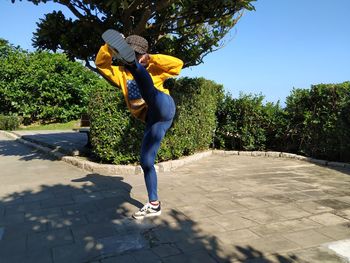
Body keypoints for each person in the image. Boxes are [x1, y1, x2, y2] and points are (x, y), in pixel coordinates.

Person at [95, 29, 183, 219]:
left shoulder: (155, 68)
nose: (134, 55)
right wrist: (109, 47)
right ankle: (154, 204)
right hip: (151, 119)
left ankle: (136, 68)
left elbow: (178, 65)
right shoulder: (120, 74)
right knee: (146, 161)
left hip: (164, 107)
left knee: (151, 93)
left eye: (136, 54)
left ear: (143, 55)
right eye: (129, 54)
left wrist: (152, 59)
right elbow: (101, 64)